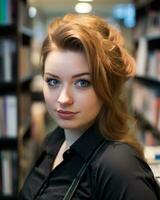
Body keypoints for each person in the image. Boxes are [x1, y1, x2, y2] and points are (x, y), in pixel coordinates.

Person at [20, 14, 160, 200]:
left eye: (82, 83)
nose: (63, 99)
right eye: (53, 81)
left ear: (107, 87)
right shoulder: (55, 140)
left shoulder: (119, 168)